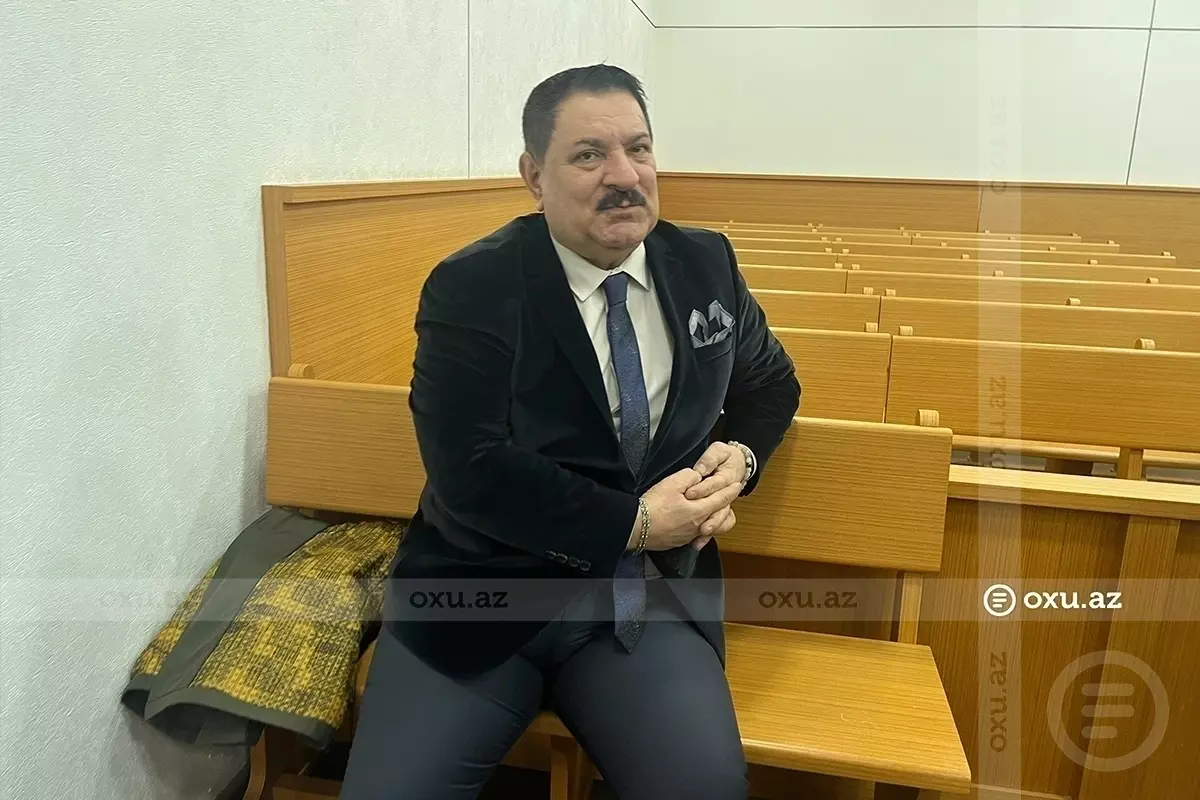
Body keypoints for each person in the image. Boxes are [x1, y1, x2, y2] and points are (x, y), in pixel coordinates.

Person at [340, 64, 800, 799]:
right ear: (534, 176)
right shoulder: (473, 286)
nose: (624, 176)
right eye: (589, 155)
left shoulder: (704, 264)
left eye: (638, 149)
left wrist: (740, 458)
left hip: (645, 603)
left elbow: (772, 384)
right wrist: (639, 523)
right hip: (481, 600)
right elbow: (468, 469)